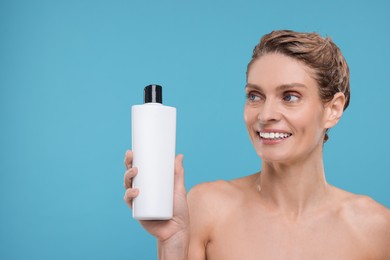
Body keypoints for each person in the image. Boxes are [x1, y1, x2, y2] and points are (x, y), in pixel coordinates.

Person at [123, 30, 390, 259]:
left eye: (290, 96)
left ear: (333, 109)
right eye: (255, 95)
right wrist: (172, 241)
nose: (265, 115)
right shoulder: (208, 207)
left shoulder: (376, 229)